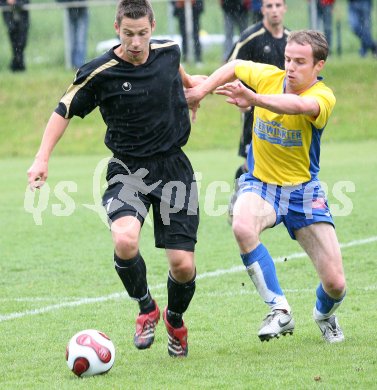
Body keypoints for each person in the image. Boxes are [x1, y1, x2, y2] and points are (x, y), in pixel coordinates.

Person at [27, 0, 206, 358]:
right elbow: (64, 109)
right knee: (125, 240)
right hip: (128, 170)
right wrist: (42, 157)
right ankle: (146, 308)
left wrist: (192, 90)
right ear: (116, 29)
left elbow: (177, 70)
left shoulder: (169, 50)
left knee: (183, 265)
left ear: (153, 27)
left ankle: (174, 319)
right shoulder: (100, 72)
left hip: (174, 169)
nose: (136, 42)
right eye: (128, 34)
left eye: (142, 34)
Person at [186, 30, 346, 343]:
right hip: (261, 184)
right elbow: (234, 68)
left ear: (318, 66)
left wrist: (255, 99)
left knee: (336, 284)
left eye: (300, 62)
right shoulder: (268, 76)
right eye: (288, 58)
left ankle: (324, 315)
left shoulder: (323, 96)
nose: (290, 67)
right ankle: (279, 309)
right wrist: (201, 91)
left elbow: (298, 107)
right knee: (242, 226)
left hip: (303, 192)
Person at [227, 0, 289, 223]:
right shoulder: (251, 37)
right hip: (255, 112)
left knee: (281, 159)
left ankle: (280, 206)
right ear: (262, 9)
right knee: (251, 162)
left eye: (278, 5)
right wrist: (240, 97)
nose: (274, 10)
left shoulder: (292, 41)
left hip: (286, 113)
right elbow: (230, 68)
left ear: (285, 8)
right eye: (269, 6)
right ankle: (240, 198)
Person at [57, 0, 89, 69]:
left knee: (80, 40)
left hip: (81, 9)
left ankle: (79, 66)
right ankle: (72, 66)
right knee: (71, 40)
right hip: (70, 10)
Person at [0, 0, 29, 72]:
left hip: (22, 22)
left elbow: (25, 3)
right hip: (11, 23)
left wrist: (14, 3)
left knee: (21, 43)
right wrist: (8, 2)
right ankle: (18, 65)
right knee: (14, 44)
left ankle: (17, 65)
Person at [171, 0, 204, 64]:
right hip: (181, 11)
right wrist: (178, 3)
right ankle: (185, 58)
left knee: (196, 35)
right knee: (184, 36)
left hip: (194, 11)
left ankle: (198, 58)